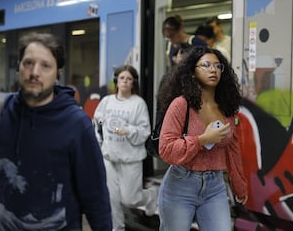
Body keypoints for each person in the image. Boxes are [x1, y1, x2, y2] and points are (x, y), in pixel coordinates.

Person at [0, 32, 112, 230]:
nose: (35, 72)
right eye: (28, 63)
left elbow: (96, 198)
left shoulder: (76, 125)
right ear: (18, 68)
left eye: (45, 65)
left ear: (58, 73)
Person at [157, 46, 248, 231]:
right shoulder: (181, 105)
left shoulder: (226, 106)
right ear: (193, 72)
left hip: (215, 187)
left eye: (217, 66)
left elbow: (232, 148)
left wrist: (239, 185)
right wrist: (201, 140)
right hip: (180, 185)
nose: (213, 70)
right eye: (205, 65)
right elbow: (165, 149)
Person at [93, 65, 157, 231]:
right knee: (112, 200)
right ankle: (117, 228)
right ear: (116, 80)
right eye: (122, 78)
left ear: (133, 82)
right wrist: (102, 122)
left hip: (131, 159)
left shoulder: (138, 104)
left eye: (129, 79)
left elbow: (145, 131)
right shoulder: (106, 101)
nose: (125, 82)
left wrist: (128, 130)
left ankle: (151, 196)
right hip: (109, 158)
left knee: (130, 200)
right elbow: (97, 121)